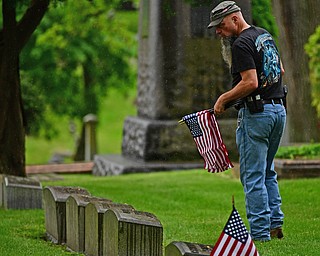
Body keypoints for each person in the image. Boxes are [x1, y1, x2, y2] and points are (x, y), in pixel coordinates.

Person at [207, 1, 286, 242]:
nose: (218, 32)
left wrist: (223, 99)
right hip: (278, 112)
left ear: (234, 18)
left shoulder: (241, 43)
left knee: (252, 176)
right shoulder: (263, 35)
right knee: (267, 172)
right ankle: (275, 224)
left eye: (220, 26)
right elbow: (280, 70)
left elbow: (249, 82)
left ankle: (260, 234)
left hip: (258, 115)